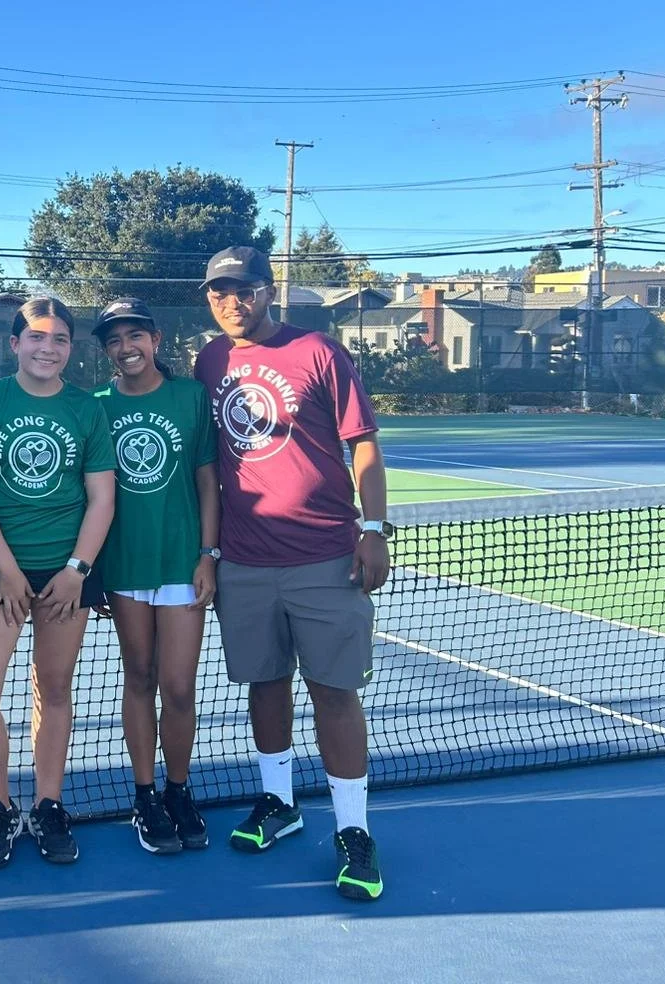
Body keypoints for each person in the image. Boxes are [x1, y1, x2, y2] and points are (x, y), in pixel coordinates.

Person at [192, 247, 391, 902]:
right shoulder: (209, 361)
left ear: (267, 291)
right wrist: (212, 552)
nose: (231, 301)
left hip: (324, 557)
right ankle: (279, 803)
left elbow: (362, 441)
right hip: (246, 561)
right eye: (219, 292)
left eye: (242, 289)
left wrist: (372, 528)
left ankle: (354, 832)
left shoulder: (320, 352)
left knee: (334, 692)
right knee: (265, 683)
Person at [0, 296, 115, 869]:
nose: (48, 348)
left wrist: (77, 571)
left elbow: (101, 496)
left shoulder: (86, 409)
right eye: (37, 337)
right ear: (15, 344)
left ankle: (49, 806)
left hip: (65, 577)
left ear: (70, 348)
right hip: (0, 572)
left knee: (54, 689)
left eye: (60, 339)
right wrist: (5, 568)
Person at [91, 298, 219, 855]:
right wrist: (90, 569)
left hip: (180, 565)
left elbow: (208, 482)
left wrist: (208, 554)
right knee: (137, 677)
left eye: (135, 335)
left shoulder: (191, 398)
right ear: (107, 351)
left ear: (157, 339)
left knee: (180, 687)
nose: (127, 348)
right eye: (115, 340)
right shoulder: (96, 407)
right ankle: (145, 796)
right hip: (122, 568)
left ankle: (177, 789)